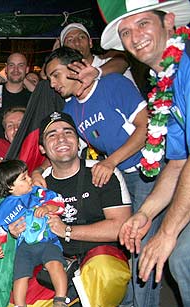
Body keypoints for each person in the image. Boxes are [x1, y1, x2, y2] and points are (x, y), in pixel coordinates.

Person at [44, 46, 167, 307]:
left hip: (150, 170)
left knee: (139, 242)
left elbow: (147, 127)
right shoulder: (71, 108)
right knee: (128, 241)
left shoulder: (112, 85)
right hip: (122, 176)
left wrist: (110, 161)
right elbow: (63, 147)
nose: (53, 84)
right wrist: (36, 172)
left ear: (75, 67)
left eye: (56, 75)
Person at [98, 0, 190, 305]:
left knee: (181, 257)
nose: (135, 37)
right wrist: (145, 214)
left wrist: (167, 232)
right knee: (181, 259)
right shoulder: (167, 80)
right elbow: (177, 163)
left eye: (143, 24)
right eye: (125, 31)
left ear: (169, 22)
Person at [10, 112, 132, 306]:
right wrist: (17, 230)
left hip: (101, 261)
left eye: (68, 132)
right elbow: (16, 219)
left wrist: (66, 230)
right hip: (56, 264)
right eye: (52, 135)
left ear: (78, 141)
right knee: (16, 299)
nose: (61, 138)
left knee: (103, 271)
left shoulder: (101, 172)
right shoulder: (35, 185)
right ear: (42, 148)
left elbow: (122, 228)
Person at [0, 159, 68, 307]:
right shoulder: (6, 207)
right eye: (24, 178)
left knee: (55, 264)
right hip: (24, 247)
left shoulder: (38, 192)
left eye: (28, 175)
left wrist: (48, 208)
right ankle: (20, 304)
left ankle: (60, 299)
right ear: (10, 187)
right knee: (19, 276)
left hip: (48, 241)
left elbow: (59, 201)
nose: (30, 179)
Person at [57, 22, 135, 96]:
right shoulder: (68, 79)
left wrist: (97, 72)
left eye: (81, 37)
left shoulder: (108, 60)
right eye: (70, 40)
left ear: (90, 43)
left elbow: (122, 62)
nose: (77, 43)